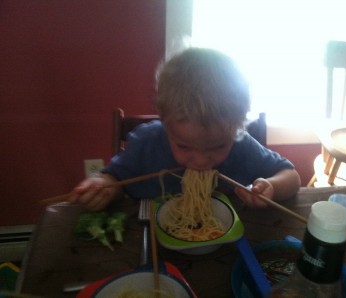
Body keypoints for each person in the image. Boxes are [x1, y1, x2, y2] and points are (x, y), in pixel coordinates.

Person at [68, 47, 301, 211]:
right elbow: (115, 178)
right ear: (165, 124)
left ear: (237, 130)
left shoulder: (241, 146)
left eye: (218, 146)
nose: (200, 161)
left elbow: (291, 176)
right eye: (184, 146)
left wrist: (271, 187)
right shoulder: (147, 143)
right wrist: (104, 187)